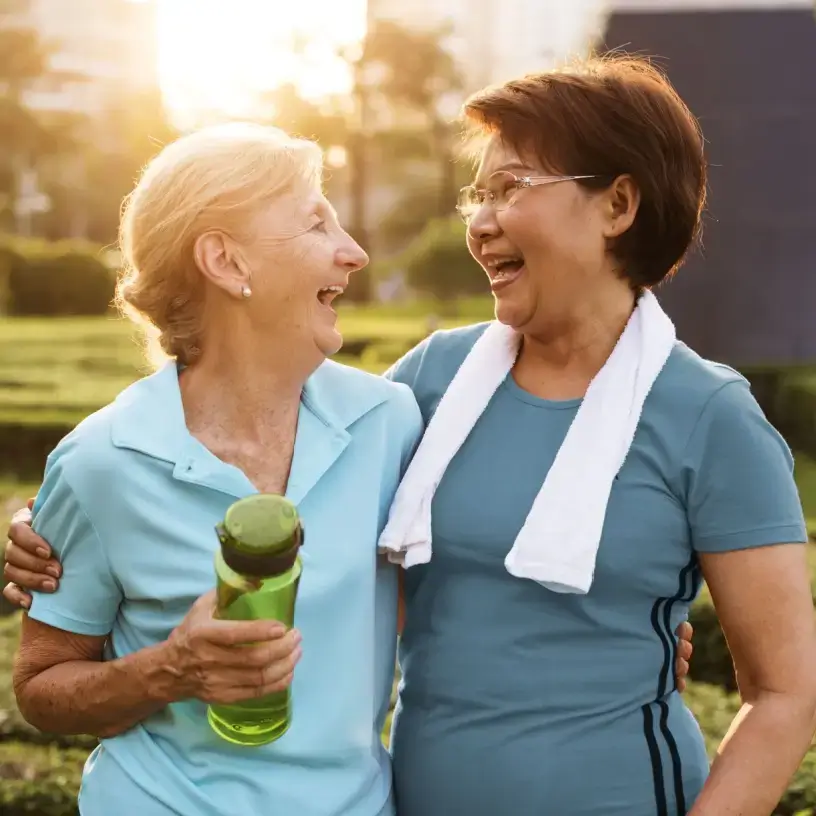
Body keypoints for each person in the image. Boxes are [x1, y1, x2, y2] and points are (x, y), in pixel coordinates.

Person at [9, 54, 798, 816]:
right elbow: (259, 443)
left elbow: (785, 690)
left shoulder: (706, 416)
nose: (479, 224)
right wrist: (49, 535)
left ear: (618, 207)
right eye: (476, 194)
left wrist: (635, 640)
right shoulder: (427, 388)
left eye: (511, 187)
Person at [5, 123, 424, 816]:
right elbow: (41, 689)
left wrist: (647, 621)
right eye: (316, 222)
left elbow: (479, 583)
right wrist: (169, 670)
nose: (355, 253)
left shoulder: (390, 424)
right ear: (228, 263)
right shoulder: (100, 461)